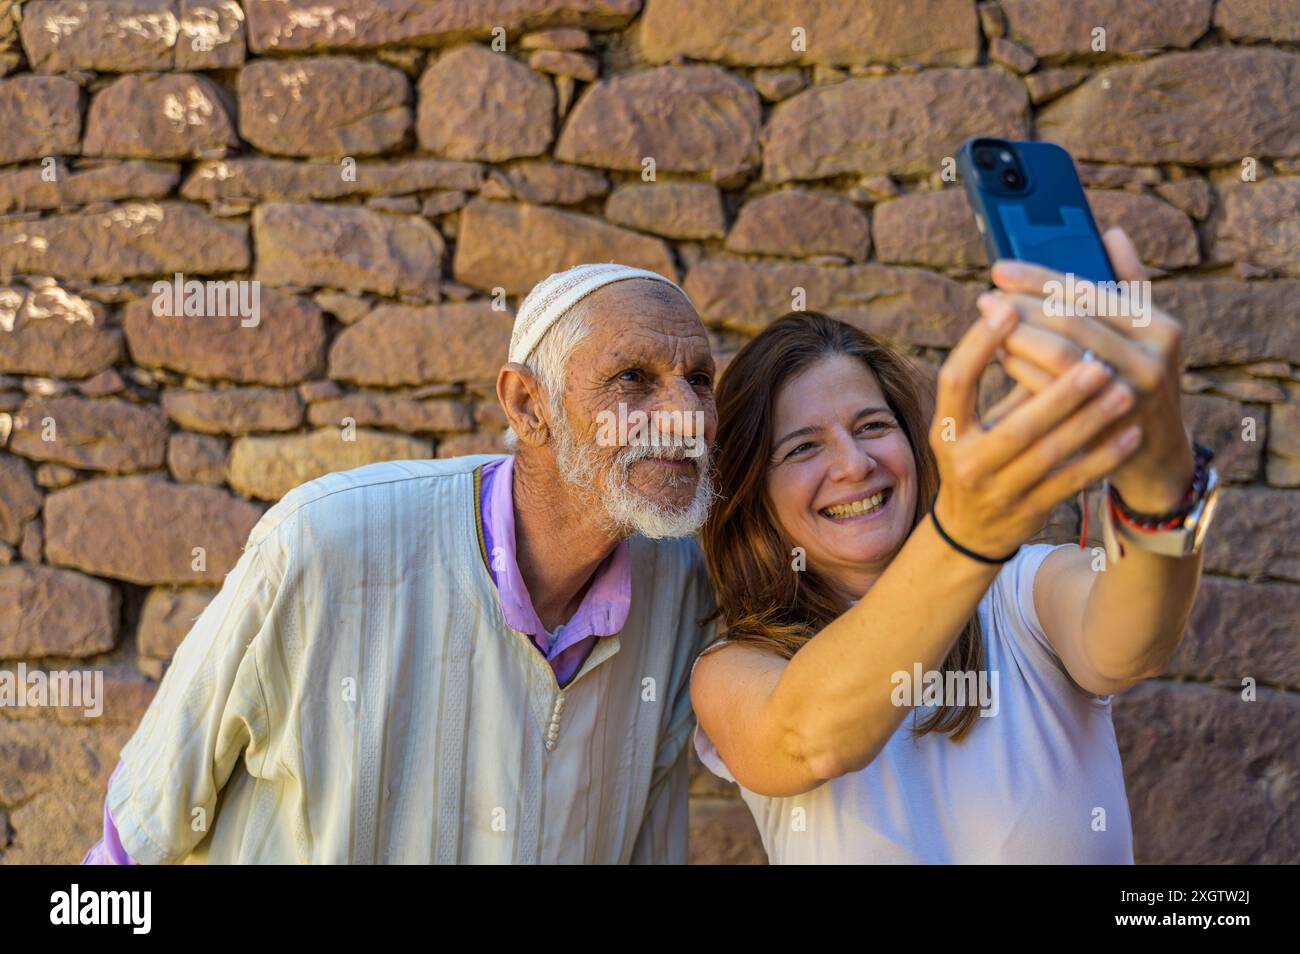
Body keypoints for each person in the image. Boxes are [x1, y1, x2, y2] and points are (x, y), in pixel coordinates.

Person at [83, 263, 718, 864]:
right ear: (528, 405)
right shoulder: (326, 543)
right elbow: (138, 833)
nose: (686, 416)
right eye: (633, 379)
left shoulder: (680, 586)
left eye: (699, 381)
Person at [691, 229, 1214, 863]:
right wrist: (968, 533)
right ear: (752, 496)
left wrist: (1156, 471)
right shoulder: (733, 670)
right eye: (803, 447)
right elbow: (807, 739)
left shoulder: (1021, 589)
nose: (854, 464)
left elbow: (1134, 642)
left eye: (873, 426)